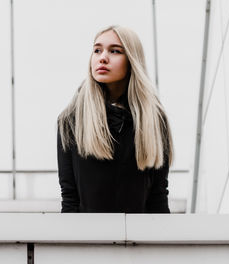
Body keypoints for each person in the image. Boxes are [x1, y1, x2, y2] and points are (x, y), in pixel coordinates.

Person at [57, 25, 174, 213]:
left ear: (132, 61)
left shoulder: (154, 120)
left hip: (140, 237)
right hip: (88, 238)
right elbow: (69, 198)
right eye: (97, 50)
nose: (102, 57)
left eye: (114, 51)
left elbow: (158, 197)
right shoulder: (71, 120)